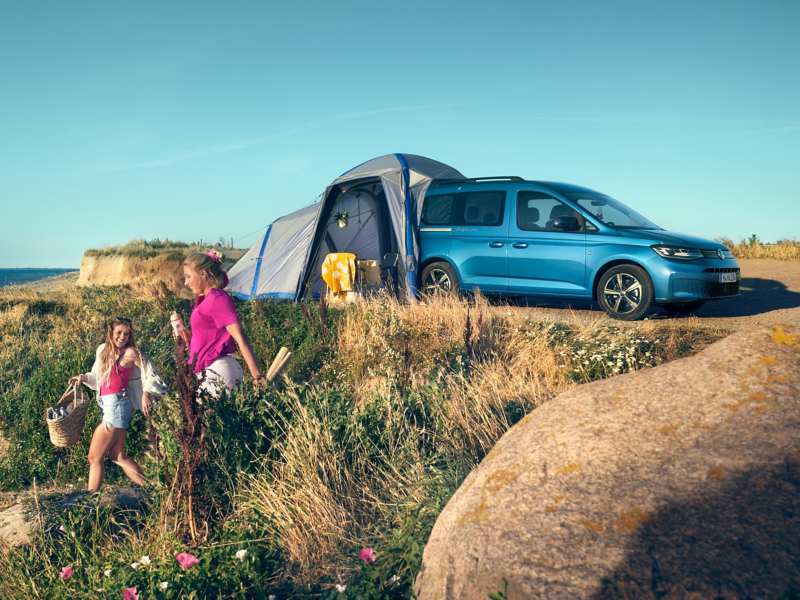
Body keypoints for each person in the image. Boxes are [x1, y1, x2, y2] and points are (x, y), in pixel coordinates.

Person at [69, 317, 168, 492]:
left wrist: (146, 393)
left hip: (117, 406)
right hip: (109, 406)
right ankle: (153, 489)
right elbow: (97, 377)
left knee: (94, 456)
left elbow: (150, 373)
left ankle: (91, 499)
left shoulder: (131, 353)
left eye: (126, 333)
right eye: (119, 333)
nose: (122, 337)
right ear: (111, 333)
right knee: (117, 455)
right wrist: (83, 378)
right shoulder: (103, 351)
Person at [182, 250, 265, 394]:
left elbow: (241, 337)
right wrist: (191, 336)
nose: (186, 283)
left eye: (188, 277)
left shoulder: (218, 299)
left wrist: (256, 375)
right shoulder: (205, 300)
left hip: (219, 371)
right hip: (208, 371)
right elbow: (210, 334)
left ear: (202, 274)